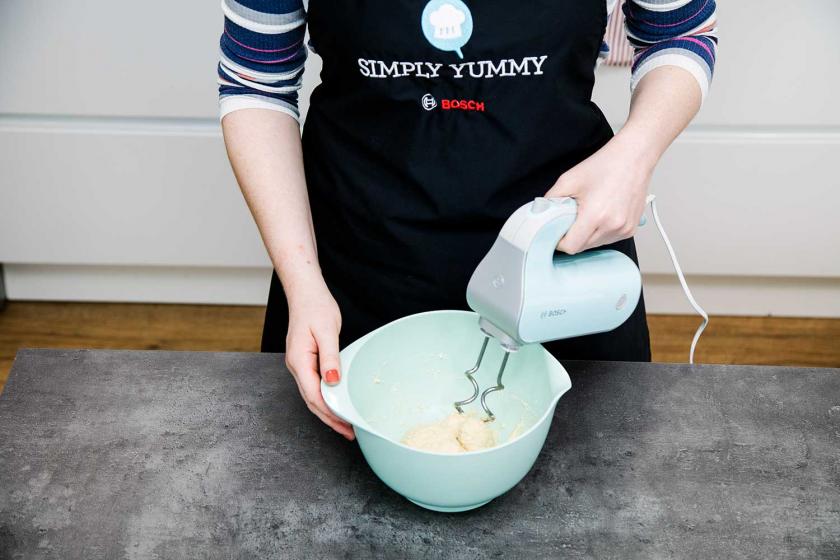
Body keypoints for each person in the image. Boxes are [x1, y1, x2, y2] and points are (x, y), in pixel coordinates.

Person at [218, 0, 718, 440]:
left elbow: (679, 31)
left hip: (559, 258)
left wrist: (635, 153)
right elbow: (256, 79)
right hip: (356, 262)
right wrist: (303, 283)